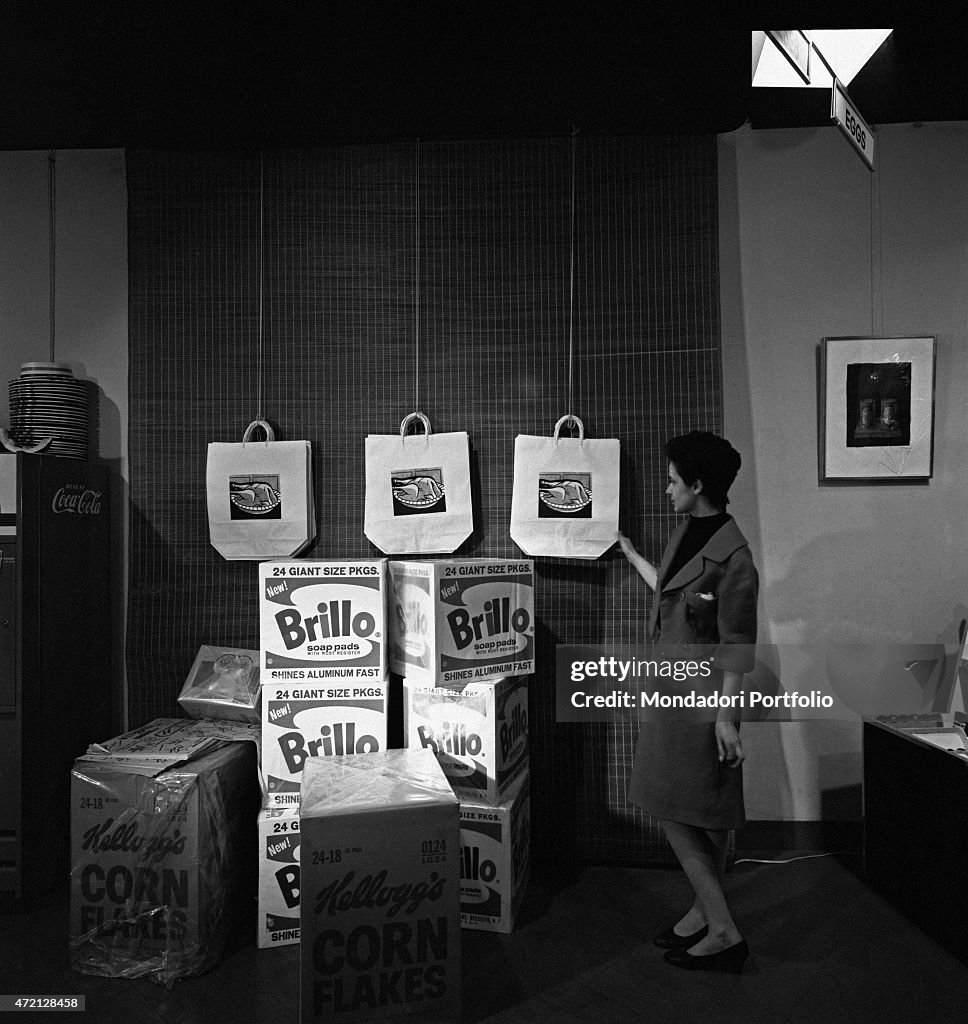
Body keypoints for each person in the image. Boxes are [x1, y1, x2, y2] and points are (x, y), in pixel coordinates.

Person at [617, 430, 758, 974]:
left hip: (703, 704)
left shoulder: (735, 557)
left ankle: (724, 931)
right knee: (698, 809)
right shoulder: (686, 532)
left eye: (674, 479)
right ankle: (704, 911)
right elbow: (669, 595)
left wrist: (726, 719)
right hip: (670, 693)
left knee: (681, 811)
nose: (667, 487)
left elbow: (738, 647)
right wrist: (631, 553)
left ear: (699, 485)